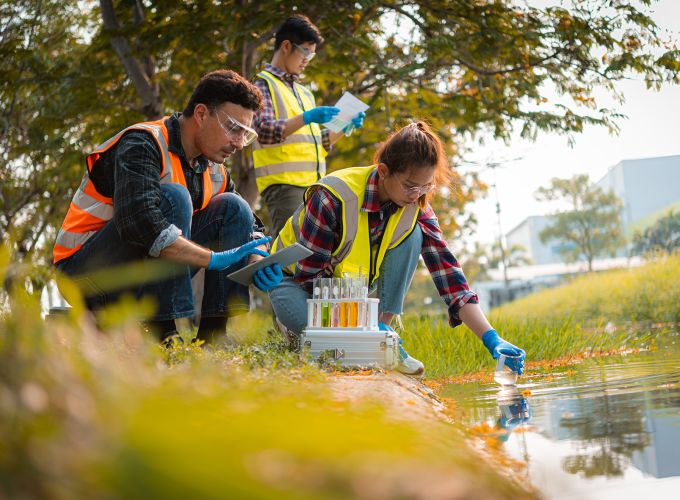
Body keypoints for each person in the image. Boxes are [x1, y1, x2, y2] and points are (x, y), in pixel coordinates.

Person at [268, 121, 526, 375]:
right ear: (383, 171)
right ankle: (353, 338)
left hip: (349, 295)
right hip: (296, 285)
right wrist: (364, 327)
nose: (417, 194)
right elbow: (309, 278)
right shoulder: (333, 196)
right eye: (410, 186)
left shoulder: (417, 208)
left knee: (414, 235)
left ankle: (382, 335)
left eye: (426, 186)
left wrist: (492, 338)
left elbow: (449, 275)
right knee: (337, 350)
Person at [53, 69, 283, 343]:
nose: (238, 144)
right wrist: (212, 259)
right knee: (174, 197)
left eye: (245, 134)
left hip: (140, 276)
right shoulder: (142, 143)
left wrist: (256, 258)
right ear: (201, 114)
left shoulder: (213, 168)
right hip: (87, 278)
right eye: (233, 128)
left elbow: (252, 225)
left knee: (233, 207)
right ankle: (163, 333)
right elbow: (139, 223)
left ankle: (214, 338)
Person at [251, 14, 366, 238]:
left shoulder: (304, 92)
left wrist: (344, 125)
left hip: (315, 186)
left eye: (310, 55)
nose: (307, 60)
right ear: (286, 46)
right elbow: (263, 131)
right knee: (288, 250)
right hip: (284, 187)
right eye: (305, 51)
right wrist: (307, 117)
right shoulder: (263, 84)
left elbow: (319, 143)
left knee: (314, 251)